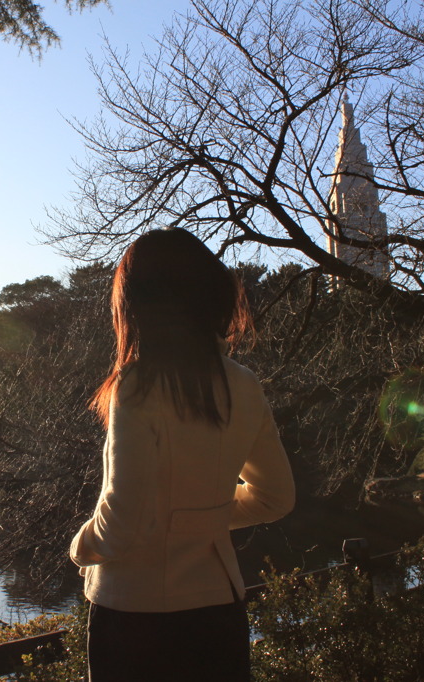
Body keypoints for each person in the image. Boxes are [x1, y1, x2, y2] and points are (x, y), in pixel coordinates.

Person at [69, 228, 295, 681]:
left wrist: (80, 548)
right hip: (218, 610)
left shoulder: (137, 384)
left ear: (136, 303)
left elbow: (121, 519)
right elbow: (276, 498)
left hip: (134, 615)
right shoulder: (243, 383)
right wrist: (198, 519)